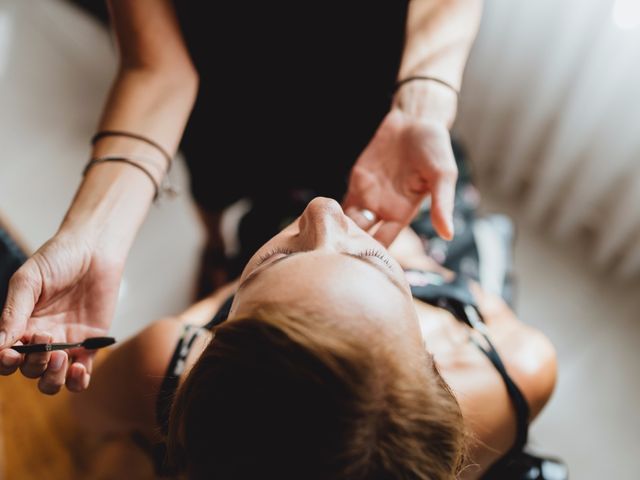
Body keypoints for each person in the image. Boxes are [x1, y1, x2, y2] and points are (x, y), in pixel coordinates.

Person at [0, 0, 482, 393]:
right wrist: (96, 235)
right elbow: (158, 67)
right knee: (214, 178)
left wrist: (423, 99)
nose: (323, 212)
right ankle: (213, 243)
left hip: (371, 88)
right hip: (225, 80)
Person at [56, 192, 559, 479]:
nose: (325, 208)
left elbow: (82, 412)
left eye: (282, 257)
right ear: (431, 364)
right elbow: (485, 300)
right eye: (375, 262)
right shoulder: (522, 368)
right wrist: (416, 261)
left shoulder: (165, 360)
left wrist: (207, 308)